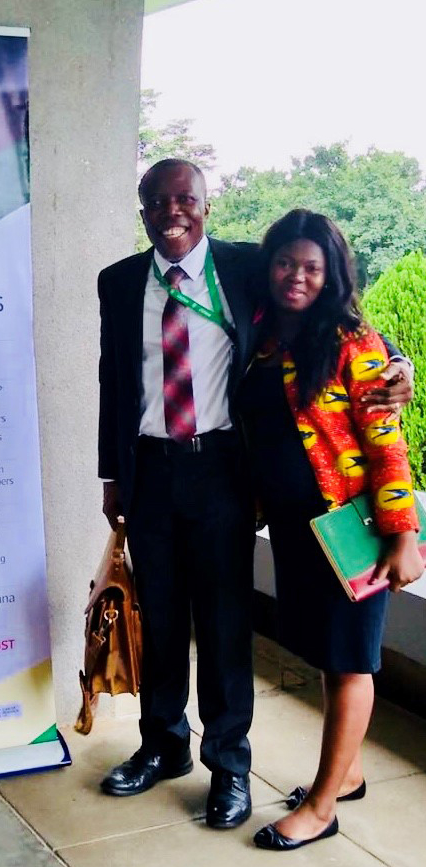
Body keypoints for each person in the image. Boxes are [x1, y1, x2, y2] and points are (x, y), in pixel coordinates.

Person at [96, 159, 412, 830]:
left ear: (206, 206)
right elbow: (111, 382)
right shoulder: (120, 282)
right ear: (142, 208)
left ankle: (228, 764)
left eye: (186, 198)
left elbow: (340, 320)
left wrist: (398, 364)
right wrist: (110, 476)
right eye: (157, 201)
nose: (172, 211)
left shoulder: (245, 267)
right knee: (157, 615)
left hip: (220, 472)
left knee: (222, 620)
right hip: (149, 469)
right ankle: (162, 744)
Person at [238, 209, 423, 851]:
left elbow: (388, 446)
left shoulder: (352, 341)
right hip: (296, 528)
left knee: (349, 663)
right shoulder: (265, 337)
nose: (296, 276)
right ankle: (349, 773)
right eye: (286, 262)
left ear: (332, 274)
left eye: (312, 267)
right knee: (327, 653)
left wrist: (404, 538)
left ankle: (321, 807)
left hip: (352, 529)